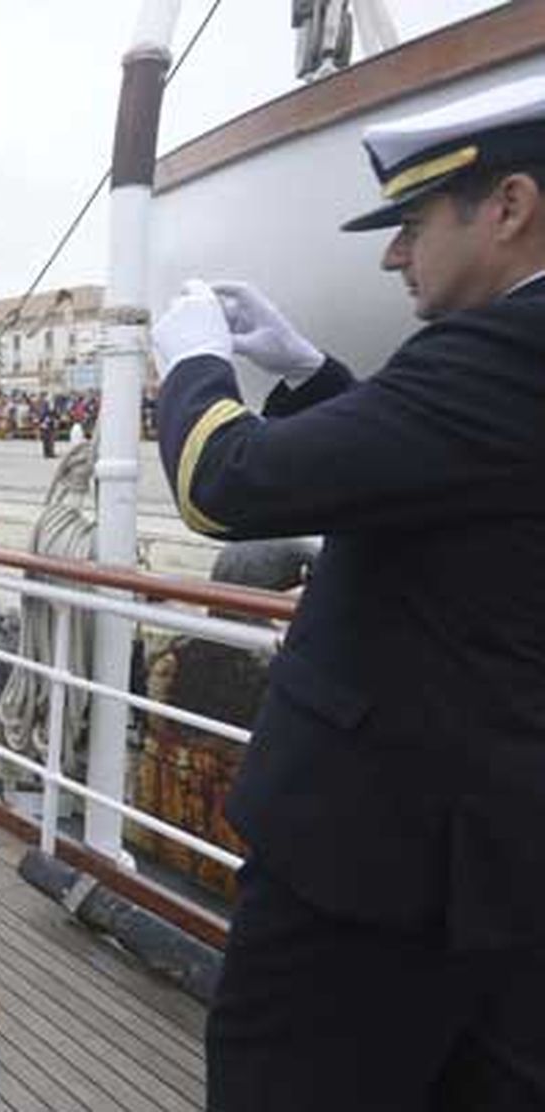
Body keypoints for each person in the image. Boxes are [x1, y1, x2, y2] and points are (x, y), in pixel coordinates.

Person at [151, 76, 545, 1111]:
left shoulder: (506, 351)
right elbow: (443, 467)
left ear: (506, 207)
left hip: (378, 866)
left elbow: (222, 482)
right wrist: (311, 367)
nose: (390, 253)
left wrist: (192, 366)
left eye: (411, 222)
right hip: (497, 860)